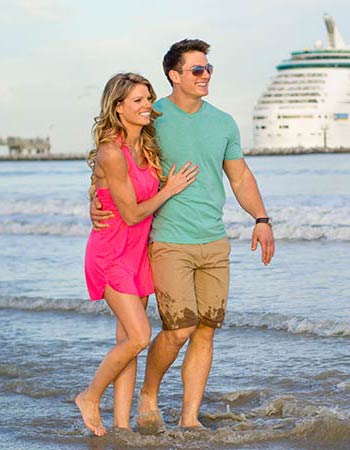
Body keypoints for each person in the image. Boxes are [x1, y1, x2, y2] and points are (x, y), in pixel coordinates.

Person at [91, 39, 275, 431]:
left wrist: (261, 218)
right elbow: (112, 159)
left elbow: (239, 176)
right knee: (179, 329)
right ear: (174, 75)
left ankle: (189, 418)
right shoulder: (150, 115)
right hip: (169, 240)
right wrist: (94, 197)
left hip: (215, 240)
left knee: (206, 329)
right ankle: (149, 394)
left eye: (208, 68)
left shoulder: (223, 122)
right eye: (196, 69)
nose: (205, 75)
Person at [77, 72, 198, 436]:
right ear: (118, 108)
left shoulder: (146, 145)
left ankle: (121, 426)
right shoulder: (111, 151)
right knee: (140, 336)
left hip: (138, 253)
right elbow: (130, 213)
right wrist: (171, 189)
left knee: (127, 342)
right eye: (138, 101)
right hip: (111, 253)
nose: (147, 106)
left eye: (148, 99)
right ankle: (89, 395)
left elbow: (105, 193)